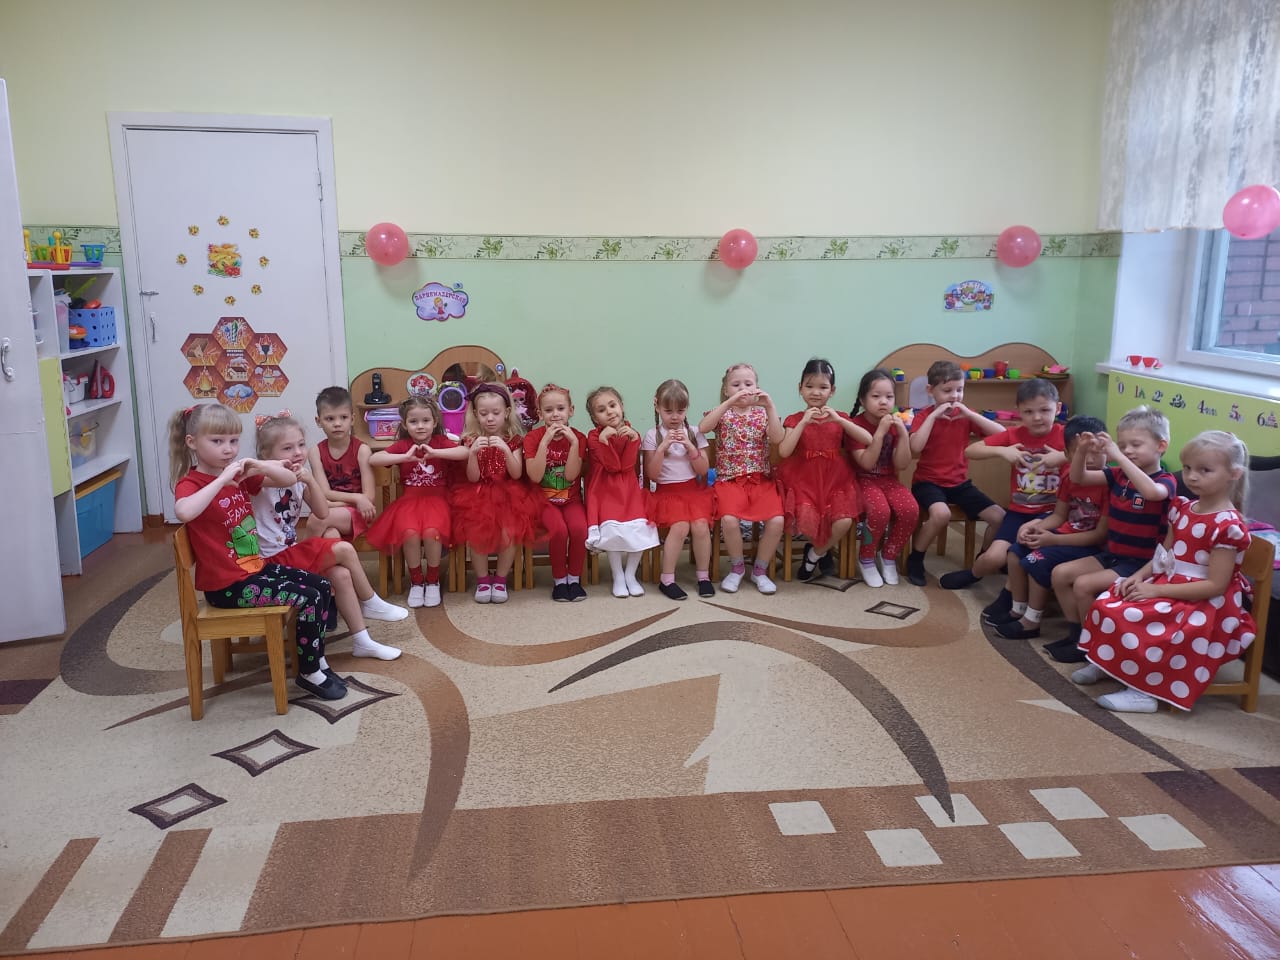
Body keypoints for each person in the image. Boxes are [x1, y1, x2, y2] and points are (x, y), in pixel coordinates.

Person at [170, 403, 344, 700]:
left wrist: (257, 465)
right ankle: (309, 672)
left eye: (233, 440)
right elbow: (184, 512)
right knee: (310, 597)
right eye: (217, 441)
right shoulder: (191, 483)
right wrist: (222, 480)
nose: (228, 449)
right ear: (192, 442)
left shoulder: (239, 474)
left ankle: (318, 663)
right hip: (227, 587)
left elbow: (288, 479)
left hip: (253, 570)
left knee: (322, 585)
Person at [1073, 430, 1255, 713]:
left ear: (1234, 474)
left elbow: (1215, 586)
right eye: (1188, 468)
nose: (1192, 476)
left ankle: (1143, 693)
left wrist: (1154, 589)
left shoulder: (1227, 526)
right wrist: (1138, 576)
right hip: (1168, 581)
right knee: (1108, 601)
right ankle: (1107, 663)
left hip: (1204, 602)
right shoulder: (1182, 507)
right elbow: (1163, 555)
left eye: (1204, 470)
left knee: (1138, 618)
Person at [251, 412, 405, 662]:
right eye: (287, 448)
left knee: (342, 575)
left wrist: (309, 480)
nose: (298, 452)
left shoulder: (298, 477)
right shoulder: (259, 479)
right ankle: (369, 600)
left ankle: (362, 642)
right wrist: (290, 473)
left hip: (289, 553)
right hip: (268, 562)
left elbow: (322, 512)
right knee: (344, 549)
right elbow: (269, 476)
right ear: (266, 454)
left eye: (301, 444)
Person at [1042, 406, 1177, 663]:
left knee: (1083, 585)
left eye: (1136, 444)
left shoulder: (1165, 480)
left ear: (1161, 446)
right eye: (1123, 445)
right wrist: (1082, 451)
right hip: (1113, 553)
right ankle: (1077, 634)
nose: (1127, 450)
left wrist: (1117, 456)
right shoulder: (1118, 476)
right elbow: (1078, 478)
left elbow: (1152, 493)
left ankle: (1090, 644)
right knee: (1060, 574)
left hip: (1141, 563)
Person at [940, 378, 1066, 601]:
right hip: (1018, 512)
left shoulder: (1066, 435)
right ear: (1018, 412)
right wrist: (1002, 451)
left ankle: (1014, 596)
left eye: (1045, 410)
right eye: (1029, 411)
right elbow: (971, 451)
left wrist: (1063, 456)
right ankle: (974, 574)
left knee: (1029, 556)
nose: (1037, 417)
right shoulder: (1014, 435)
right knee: (993, 558)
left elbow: (1095, 457)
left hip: (1055, 515)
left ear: (1057, 408)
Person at [989, 415, 1108, 639]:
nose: (1089, 459)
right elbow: (1059, 515)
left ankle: (1031, 621)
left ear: (1107, 451)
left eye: (1096, 453)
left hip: (1089, 545)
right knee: (1015, 551)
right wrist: (1037, 528)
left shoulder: (1109, 483)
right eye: (1082, 453)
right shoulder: (1069, 478)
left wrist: (1052, 539)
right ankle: (1018, 609)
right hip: (1067, 534)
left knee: (1037, 560)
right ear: (1067, 456)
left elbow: (1099, 535)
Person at [904, 361, 1007, 586]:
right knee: (941, 514)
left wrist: (970, 414)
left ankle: (983, 559)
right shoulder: (924, 416)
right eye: (947, 390)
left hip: (959, 483)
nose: (954, 396)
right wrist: (933, 416)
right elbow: (915, 447)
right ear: (931, 391)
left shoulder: (965, 416)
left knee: (999, 517)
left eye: (959, 390)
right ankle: (916, 558)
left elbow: (1003, 435)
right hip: (927, 482)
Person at [366, 395, 468, 608]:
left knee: (432, 532)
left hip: (438, 501)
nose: (420, 426)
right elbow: (374, 459)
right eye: (413, 421)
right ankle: (416, 581)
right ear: (405, 424)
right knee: (409, 532)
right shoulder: (403, 445)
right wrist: (405, 457)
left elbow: (464, 452)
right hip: (409, 502)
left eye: (425, 420)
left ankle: (432, 579)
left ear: (435, 422)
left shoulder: (440, 442)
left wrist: (436, 452)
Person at [777, 359, 869, 582]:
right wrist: (803, 423)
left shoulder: (840, 417)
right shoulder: (794, 419)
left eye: (823, 387)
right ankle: (822, 552)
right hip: (803, 478)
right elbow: (784, 451)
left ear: (832, 390)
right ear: (800, 388)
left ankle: (814, 555)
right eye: (809, 386)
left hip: (835, 478)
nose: (816, 392)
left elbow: (868, 439)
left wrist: (840, 420)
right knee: (808, 518)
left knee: (844, 521)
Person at [698, 363, 785, 595]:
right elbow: (703, 428)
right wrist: (728, 403)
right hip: (729, 481)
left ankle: (759, 570)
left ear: (757, 387)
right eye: (736, 385)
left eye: (748, 384)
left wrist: (770, 406)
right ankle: (737, 568)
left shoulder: (762, 414)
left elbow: (777, 438)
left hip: (760, 480)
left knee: (777, 521)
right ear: (726, 389)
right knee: (729, 520)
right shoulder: (722, 413)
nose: (742, 388)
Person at [451, 382, 541, 603]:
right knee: (477, 532)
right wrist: (473, 453)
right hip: (478, 493)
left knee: (508, 532)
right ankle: (483, 580)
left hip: (509, 494)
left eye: (495, 413)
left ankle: (500, 579)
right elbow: (472, 477)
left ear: (507, 412)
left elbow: (516, 473)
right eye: (484, 414)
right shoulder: (470, 440)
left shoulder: (515, 440)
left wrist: (505, 450)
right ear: (475, 414)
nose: (490, 418)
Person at [643, 379, 716, 600]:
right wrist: (662, 448)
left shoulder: (694, 432)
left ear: (687, 408)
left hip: (694, 492)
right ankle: (667, 579)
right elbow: (652, 474)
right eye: (668, 411)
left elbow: (703, 469)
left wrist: (690, 447)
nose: (675, 417)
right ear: (657, 406)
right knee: (680, 526)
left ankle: (703, 577)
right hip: (667, 494)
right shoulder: (652, 435)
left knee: (701, 526)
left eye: (680, 411)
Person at [585, 386, 661, 598]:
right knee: (614, 532)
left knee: (640, 529)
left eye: (613, 405)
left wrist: (634, 440)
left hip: (629, 491)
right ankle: (618, 575)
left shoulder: (631, 433)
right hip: (605, 492)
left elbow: (626, 466)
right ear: (595, 417)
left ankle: (630, 575)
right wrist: (604, 441)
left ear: (621, 406)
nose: (609, 412)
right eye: (601, 410)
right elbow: (612, 466)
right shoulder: (594, 436)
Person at [846, 368, 918, 586]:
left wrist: (903, 434)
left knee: (910, 510)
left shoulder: (894, 424)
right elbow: (866, 463)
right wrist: (879, 433)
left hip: (888, 480)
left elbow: (902, 464)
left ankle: (888, 556)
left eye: (889, 397)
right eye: (876, 396)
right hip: (861, 479)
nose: (883, 402)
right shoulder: (855, 426)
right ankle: (866, 557)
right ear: (862, 399)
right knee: (880, 511)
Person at [525, 383, 590, 602]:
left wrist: (574, 444)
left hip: (571, 500)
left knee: (579, 529)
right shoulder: (533, 438)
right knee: (559, 531)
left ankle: (574, 579)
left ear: (571, 410)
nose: (555, 415)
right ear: (540, 414)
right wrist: (545, 441)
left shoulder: (579, 438)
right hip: (543, 502)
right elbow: (535, 476)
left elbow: (571, 476)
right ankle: (560, 581)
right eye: (549, 410)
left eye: (560, 409)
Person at [306, 386, 376, 541]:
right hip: (331, 509)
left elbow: (369, 497)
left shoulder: (362, 450)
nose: (337, 424)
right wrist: (357, 499)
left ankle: (298, 556)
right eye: (330, 419)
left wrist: (333, 504)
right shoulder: (315, 452)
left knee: (317, 519)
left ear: (352, 419)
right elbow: (324, 492)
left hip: (358, 512)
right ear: (318, 421)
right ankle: (342, 560)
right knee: (331, 536)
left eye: (343, 417)